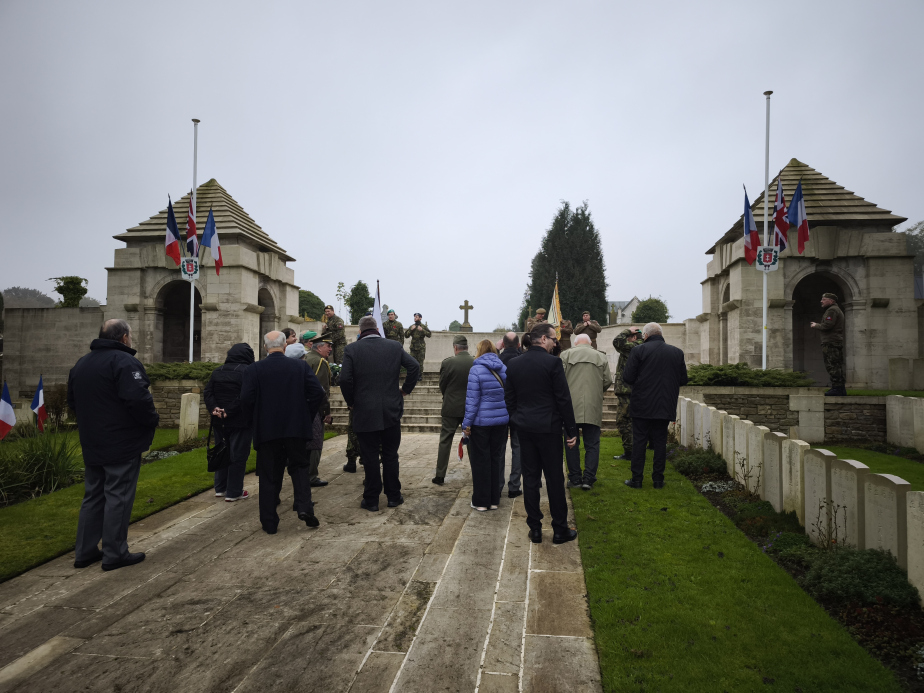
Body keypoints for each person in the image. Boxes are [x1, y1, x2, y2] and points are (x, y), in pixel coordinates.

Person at [68, 319, 159, 571]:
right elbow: (138, 399)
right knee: (118, 494)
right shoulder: (124, 361)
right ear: (123, 338)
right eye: (129, 335)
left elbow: (72, 402)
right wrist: (152, 420)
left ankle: (84, 552)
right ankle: (115, 553)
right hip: (121, 441)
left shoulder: (81, 364)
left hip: (93, 439)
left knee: (93, 495)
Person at [240, 331, 325, 533]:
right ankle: (304, 506)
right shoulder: (300, 366)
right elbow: (317, 393)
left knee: (269, 474)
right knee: (299, 467)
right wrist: (306, 413)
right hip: (295, 427)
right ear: (284, 346)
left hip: (268, 429)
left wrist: (255, 420)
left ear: (264, 347)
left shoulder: (255, 369)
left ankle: (269, 522)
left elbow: (245, 399)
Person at [505, 323, 578, 545]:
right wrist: (571, 430)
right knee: (554, 478)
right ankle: (559, 529)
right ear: (543, 340)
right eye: (554, 339)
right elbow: (563, 398)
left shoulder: (514, 363)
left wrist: (516, 420)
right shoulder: (553, 362)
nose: (556, 342)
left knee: (531, 478)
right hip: (548, 429)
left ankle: (535, 529)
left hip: (525, 428)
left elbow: (509, 400)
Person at [341, 316, 420, 511]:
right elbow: (414, 366)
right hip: (390, 410)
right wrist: (405, 390)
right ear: (377, 328)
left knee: (369, 456)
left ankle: (372, 499)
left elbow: (344, 379)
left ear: (360, 331)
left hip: (364, 410)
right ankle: (394, 496)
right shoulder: (393, 346)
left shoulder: (352, 349)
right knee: (391, 455)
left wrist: (351, 402)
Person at [622, 322, 688, 489]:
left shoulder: (638, 350)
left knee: (639, 442)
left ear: (645, 335)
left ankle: (637, 479)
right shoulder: (676, 352)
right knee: (660, 442)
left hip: (642, 404)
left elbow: (628, 377)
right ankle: (658, 480)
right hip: (665, 404)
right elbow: (683, 379)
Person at [204, 343, 255, 502]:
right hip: (240, 420)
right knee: (238, 455)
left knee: (222, 450)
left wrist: (214, 409)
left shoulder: (217, 371)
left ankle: (220, 488)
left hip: (219, 420)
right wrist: (228, 410)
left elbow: (208, 392)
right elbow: (245, 396)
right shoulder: (247, 372)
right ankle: (234, 492)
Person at [560, 333, 612, 491]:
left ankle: (575, 478)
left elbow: (559, 379)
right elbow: (608, 380)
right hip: (592, 405)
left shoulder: (565, 355)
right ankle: (588, 479)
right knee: (592, 444)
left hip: (570, 407)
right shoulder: (600, 357)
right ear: (590, 343)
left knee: (571, 443)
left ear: (575, 343)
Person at [462, 340, 508, 511]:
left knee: (481, 460)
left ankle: (481, 501)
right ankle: (494, 499)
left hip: (481, 422)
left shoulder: (476, 370)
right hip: (501, 421)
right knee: (496, 459)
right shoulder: (503, 369)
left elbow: (472, 401)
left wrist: (466, 424)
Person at [433, 334, 474, 484]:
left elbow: (442, 385)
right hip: (469, 408)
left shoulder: (448, 363)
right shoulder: (475, 361)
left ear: (455, 347)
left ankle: (440, 475)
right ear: (467, 348)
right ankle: (476, 472)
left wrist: (448, 396)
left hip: (450, 407)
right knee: (471, 441)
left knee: (445, 440)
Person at [304, 335, 334, 487]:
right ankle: (311, 475)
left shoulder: (305, 358)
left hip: (302, 407)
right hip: (315, 409)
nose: (330, 349)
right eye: (328, 346)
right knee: (315, 443)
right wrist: (326, 412)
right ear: (319, 347)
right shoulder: (320, 362)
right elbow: (321, 390)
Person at [611, 327, 643, 461]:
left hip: (627, 390)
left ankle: (630, 452)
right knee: (632, 422)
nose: (626, 339)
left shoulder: (634, 347)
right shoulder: (641, 347)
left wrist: (627, 330)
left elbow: (617, 341)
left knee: (624, 421)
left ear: (634, 337)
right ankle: (634, 451)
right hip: (633, 390)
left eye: (629, 337)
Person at [498, 332, 522, 498]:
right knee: (517, 448)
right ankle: (514, 485)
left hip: (499, 409)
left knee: (499, 449)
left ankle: (498, 484)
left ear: (504, 345)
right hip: (518, 409)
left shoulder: (496, 360)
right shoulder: (523, 360)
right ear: (519, 345)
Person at [810, 292, 846, 396]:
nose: (821, 301)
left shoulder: (832, 310)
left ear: (831, 301)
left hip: (831, 342)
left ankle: (837, 389)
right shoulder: (835, 310)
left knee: (832, 365)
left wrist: (816, 325)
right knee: (836, 365)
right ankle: (839, 388)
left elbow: (827, 325)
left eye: (824, 299)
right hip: (834, 341)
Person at [404, 313, 431, 379]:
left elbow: (429, 334)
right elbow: (406, 335)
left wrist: (422, 330)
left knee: (420, 362)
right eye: (414, 317)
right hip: (413, 347)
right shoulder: (412, 326)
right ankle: (413, 375)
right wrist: (411, 330)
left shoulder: (423, 326)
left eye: (416, 317)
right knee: (412, 361)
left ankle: (419, 375)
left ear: (420, 318)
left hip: (421, 347)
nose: (415, 318)